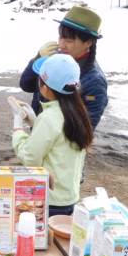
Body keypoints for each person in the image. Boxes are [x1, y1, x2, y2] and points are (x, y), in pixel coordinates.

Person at [12, 54, 94, 218]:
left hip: (50, 198)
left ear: (44, 87)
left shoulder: (49, 118)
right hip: (69, 197)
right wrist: (34, 121)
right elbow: (59, 142)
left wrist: (17, 129)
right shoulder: (78, 113)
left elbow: (30, 158)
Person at [19, 5, 107, 130]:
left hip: (60, 147)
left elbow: (85, 128)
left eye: (69, 41)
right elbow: (26, 85)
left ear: (88, 43)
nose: (61, 45)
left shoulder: (94, 81)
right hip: (39, 136)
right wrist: (38, 58)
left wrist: (47, 132)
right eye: (61, 37)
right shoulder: (53, 60)